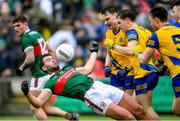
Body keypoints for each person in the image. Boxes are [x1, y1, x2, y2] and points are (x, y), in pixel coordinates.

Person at [20, 41, 148, 120]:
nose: (52, 59)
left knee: (139, 110)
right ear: (44, 68)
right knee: (129, 118)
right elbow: (38, 103)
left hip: (100, 86)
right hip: (93, 97)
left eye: (52, 58)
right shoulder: (50, 83)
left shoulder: (69, 68)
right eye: (48, 60)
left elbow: (88, 69)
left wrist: (94, 51)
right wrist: (27, 94)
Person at [12, 15, 79, 121]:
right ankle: (70, 116)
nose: (16, 28)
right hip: (49, 74)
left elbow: (30, 58)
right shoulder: (38, 35)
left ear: (25, 24)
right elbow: (51, 50)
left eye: (18, 25)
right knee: (46, 108)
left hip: (39, 75)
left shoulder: (26, 38)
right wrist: (55, 69)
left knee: (35, 106)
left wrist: (20, 68)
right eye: (14, 27)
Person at [104, 9, 160, 120]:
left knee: (144, 109)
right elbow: (156, 52)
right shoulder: (146, 31)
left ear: (127, 20)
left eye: (120, 23)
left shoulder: (131, 32)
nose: (120, 26)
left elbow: (130, 50)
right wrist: (160, 64)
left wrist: (114, 46)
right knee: (138, 109)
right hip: (150, 71)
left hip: (143, 73)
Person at [137, 6, 180, 116]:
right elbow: (171, 50)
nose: (150, 24)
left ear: (156, 20)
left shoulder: (156, 36)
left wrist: (136, 50)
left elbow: (144, 60)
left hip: (179, 74)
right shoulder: (177, 29)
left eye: (151, 21)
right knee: (176, 109)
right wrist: (161, 64)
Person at [102, 7, 134, 96]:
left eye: (107, 19)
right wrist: (106, 66)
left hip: (129, 73)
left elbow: (134, 53)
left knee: (130, 103)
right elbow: (109, 53)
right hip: (115, 73)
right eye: (104, 20)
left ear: (116, 15)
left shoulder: (127, 31)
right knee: (117, 101)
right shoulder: (108, 33)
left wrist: (127, 70)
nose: (105, 23)